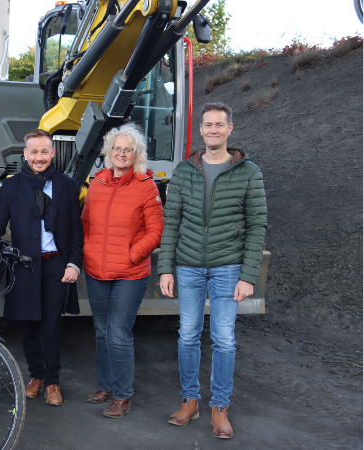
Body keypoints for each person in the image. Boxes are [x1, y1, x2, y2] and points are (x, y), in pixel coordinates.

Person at [159, 102, 267, 439]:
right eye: (208, 125)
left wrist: (249, 275)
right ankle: (190, 400)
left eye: (219, 125)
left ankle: (219, 407)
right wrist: (166, 267)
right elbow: (171, 221)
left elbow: (257, 225)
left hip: (228, 267)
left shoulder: (249, 172)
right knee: (188, 335)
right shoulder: (184, 170)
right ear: (201, 129)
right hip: (189, 266)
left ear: (229, 129)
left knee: (224, 339)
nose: (213, 130)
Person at [0, 129, 83, 407]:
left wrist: (73, 262)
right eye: (33, 152)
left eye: (44, 151)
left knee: (51, 326)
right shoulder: (12, 186)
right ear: (25, 154)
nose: (39, 157)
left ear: (52, 153)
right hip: (24, 266)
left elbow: (76, 230)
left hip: (55, 266)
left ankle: (52, 381)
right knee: (27, 326)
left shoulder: (68, 186)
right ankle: (35, 376)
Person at [80, 123, 163, 418]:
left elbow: (155, 232)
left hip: (130, 274)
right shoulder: (98, 182)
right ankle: (107, 386)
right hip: (96, 271)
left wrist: (132, 255)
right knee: (101, 332)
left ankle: (124, 395)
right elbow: (86, 222)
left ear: (136, 154)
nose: (122, 153)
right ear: (109, 151)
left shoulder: (145, 185)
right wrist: (88, 249)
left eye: (128, 149)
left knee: (118, 332)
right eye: (118, 148)